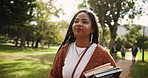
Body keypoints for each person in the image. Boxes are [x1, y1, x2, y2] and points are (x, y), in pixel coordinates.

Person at [50, 10, 120, 78]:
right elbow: (54, 75)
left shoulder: (101, 53)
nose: (79, 24)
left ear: (92, 29)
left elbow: (116, 75)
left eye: (85, 22)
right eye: (76, 21)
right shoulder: (64, 50)